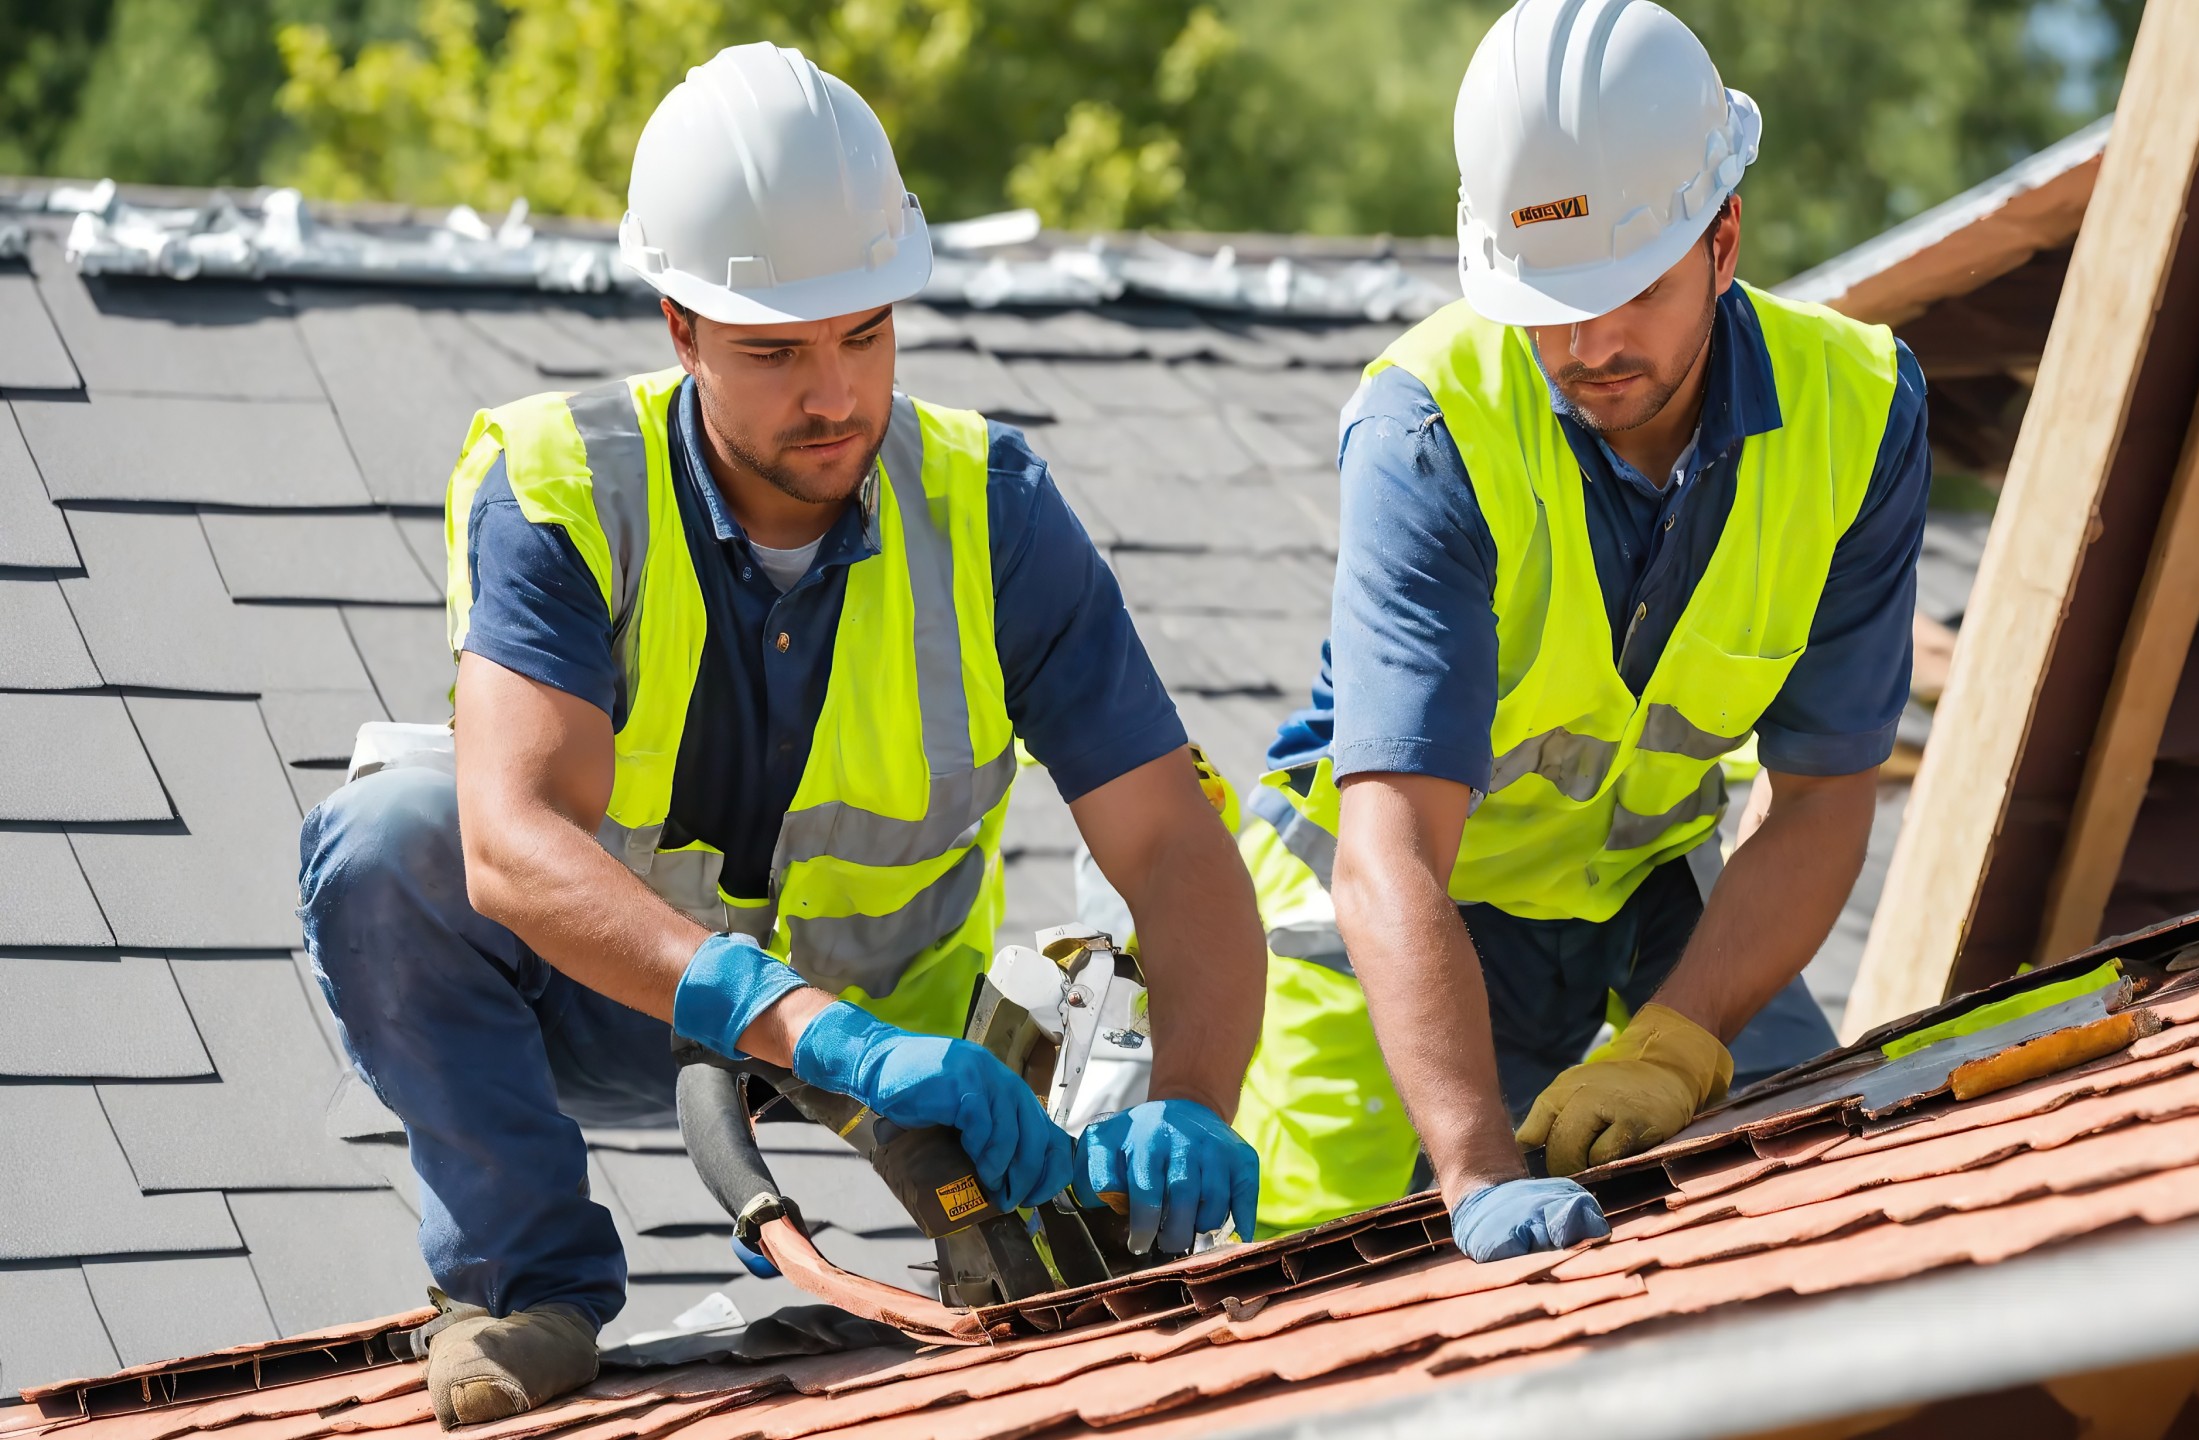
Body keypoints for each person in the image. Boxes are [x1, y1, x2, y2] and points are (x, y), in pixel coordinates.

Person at [298, 43, 1266, 1427]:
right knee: (391, 843)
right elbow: (510, 849)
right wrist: (809, 1034)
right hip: (621, 999)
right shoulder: (560, 486)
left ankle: (1019, 1258)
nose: (835, 395)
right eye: (776, 350)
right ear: (680, 326)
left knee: (1086, 1316)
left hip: (917, 1049)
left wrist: (1195, 1097)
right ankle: (525, 1288)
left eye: (864, 333)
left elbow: (1172, 845)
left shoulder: (991, 509)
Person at [1233, 0, 1931, 1264]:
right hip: (1385, 935)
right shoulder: (1428, 432)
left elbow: (1825, 799)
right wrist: (1478, 1169)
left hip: (1636, 905)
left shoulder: (1862, 412)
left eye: (1630, 291)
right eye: (1547, 300)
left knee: (1827, 1198)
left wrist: (1674, 1042)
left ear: (1725, 240)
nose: (1590, 343)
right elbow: (1389, 853)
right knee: (1308, 1306)